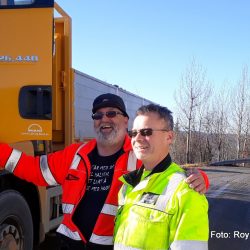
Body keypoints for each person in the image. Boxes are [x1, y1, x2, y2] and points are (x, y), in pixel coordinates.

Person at [0, 94, 208, 250]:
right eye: (98, 115)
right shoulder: (76, 153)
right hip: (69, 244)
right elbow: (35, 170)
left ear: (125, 121)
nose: (104, 119)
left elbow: (168, 174)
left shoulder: (138, 154)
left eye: (112, 113)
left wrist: (200, 179)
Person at [114, 103, 209, 250]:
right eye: (133, 133)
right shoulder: (128, 186)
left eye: (146, 132)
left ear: (169, 137)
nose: (137, 138)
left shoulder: (186, 190)